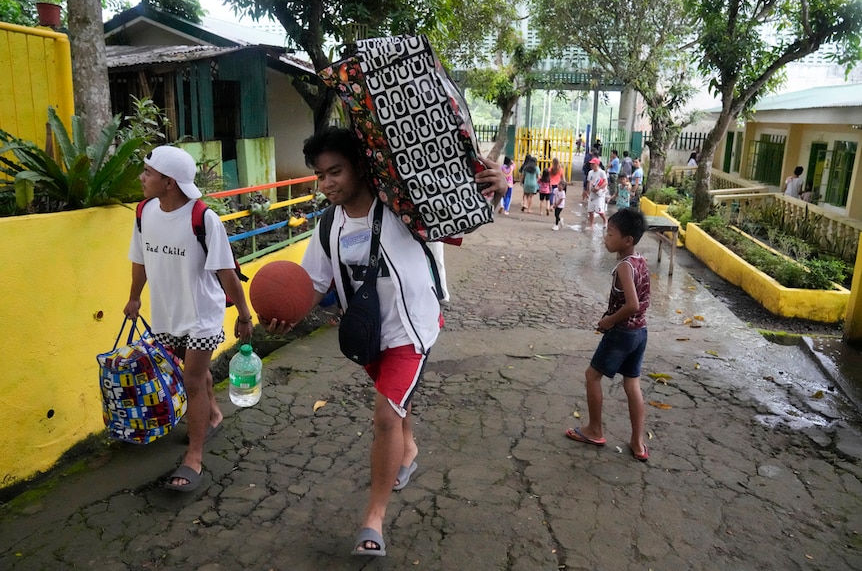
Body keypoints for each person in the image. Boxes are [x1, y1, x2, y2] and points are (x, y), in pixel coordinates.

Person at [264, 127, 506, 557]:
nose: (327, 183)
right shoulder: (328, 226)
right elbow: (313, 284)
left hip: (411, 330)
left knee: (384, 414)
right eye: (320, 176)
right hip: (367, 332)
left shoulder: (402, 207)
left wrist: (497, 186)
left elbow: (460, 216)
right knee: (394, 405)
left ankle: (373, 519)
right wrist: (286, 314)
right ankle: (407, 448)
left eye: (335, 171)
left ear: (359, 166)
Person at [124, 145, 254, 491]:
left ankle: (194, 456)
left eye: (148, 173)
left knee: (191, 380)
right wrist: (135, 297)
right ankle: (212, 414)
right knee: (192, 372)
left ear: (169, 182)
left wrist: (244, 314)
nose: (142, 177)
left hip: (200, 314)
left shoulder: (202, 218)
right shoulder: (144, 212)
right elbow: (140, 260)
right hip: (167, 314)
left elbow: (226, 272)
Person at [565, 208, 651, 462]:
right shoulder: (641, 261)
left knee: (592, 376)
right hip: (640, 332)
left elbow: (632, 304)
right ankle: (637, 442)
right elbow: (642, 302)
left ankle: (594, 430)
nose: (605, 237)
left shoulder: (625, 267)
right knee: (632, 384)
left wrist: (608, 321)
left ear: (627, 241)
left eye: (610, 233)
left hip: (622, 332)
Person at [586, 157, 608, 229]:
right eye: (591, 164)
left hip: (599, 194)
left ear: (597, 164)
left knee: (599, 211)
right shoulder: (590, 172)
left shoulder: (602, 172)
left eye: (593, 164)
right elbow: (589, 182)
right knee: (590, 210)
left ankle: (605, 220)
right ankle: (591, 225)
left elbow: (605, 182)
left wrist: (599, 188)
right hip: (592, 193)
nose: (591, 165)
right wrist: (587, 191)